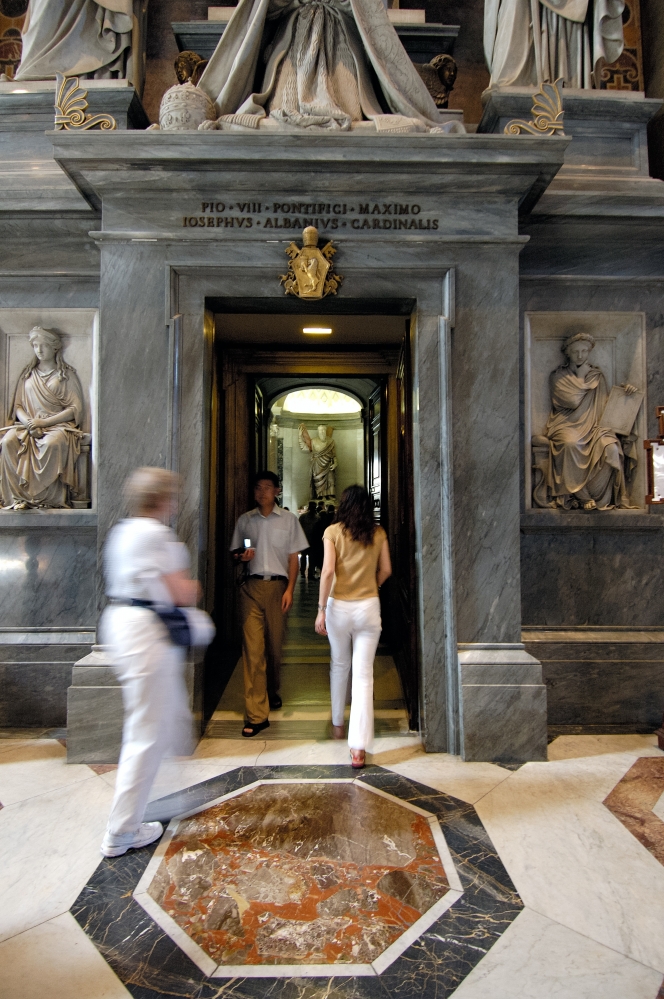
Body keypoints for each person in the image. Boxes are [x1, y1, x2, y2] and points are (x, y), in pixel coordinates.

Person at [99, 467, 214, 858]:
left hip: (121, 624)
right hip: (146, 630)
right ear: (164, 500)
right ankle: (121, 830)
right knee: (146, 732)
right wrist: (194, 587)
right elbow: (180, 590)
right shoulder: (157, 534)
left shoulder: (122, 531)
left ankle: (144, 805)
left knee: (153, 721)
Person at [315, 484, 392, 768]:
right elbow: (386, 570)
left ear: (342, 506)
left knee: (339, 665)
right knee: (363, 676)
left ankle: (337, 723)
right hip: (369, 606)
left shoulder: (332, 532)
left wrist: (321, 609)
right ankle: (358, 748)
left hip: (339, 606)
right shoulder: (378, 532)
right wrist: (373, 586)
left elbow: (327, 572)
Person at [230, 470, 308, 736]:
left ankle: (271, 690)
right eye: (257, 488)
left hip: (277, 588)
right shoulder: (245, 521)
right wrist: (241, 556)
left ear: (276, 491)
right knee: (253, 651)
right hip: (251, 587)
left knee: (274, 649)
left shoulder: (288, 521)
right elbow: (236, 552)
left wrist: (290, 590)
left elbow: (293, 559)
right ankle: (256, 715)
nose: (261, 492)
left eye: (266, 487)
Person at [543, 331, 638, 510]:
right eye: (576, 351)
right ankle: (581, 495)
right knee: (571, 444)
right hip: (566, 425)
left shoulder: (597, 376)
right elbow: (572, 401)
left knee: (611, 448)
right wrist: (582, 376)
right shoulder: (557, 376)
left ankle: (600, 496)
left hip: (594, 426)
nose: (580, 355)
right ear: (567, 353)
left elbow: (604, 404)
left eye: (585, 351)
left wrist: (625, 393)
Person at [0, 327, 85, 509]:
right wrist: (29, 423)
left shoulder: (65, 375)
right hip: (28, 426)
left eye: (43, 345)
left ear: (54, 348)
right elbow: (18, 406)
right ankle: (18, 498)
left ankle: (46, 499)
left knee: (51, 444)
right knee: (8, 441)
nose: (39, 350)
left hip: (57, 426)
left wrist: (44, 422)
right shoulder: (28, 374)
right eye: (35, 346)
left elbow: (74, 409)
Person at [298, 500, 319, 578]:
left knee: (311, 557)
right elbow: (299, 528)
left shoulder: (317, 517)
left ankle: (310, 572)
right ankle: (303, 571)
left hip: (312, 540)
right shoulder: (304, 517)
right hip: (305, 539)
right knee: (305, 556)